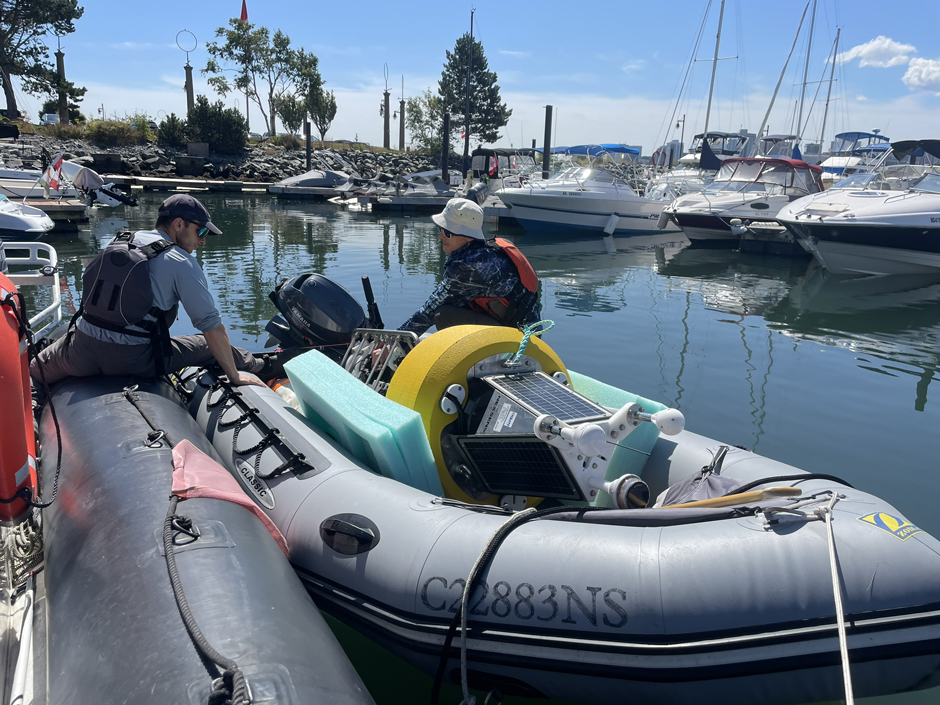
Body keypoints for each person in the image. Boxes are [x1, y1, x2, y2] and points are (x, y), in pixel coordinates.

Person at [31, 194, 275, 387]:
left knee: (34, 369)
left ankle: (32, 417)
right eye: (200, 231)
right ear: (179, 224)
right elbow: (211, 327)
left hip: (81, 350)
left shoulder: (118, 241)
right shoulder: (181, 261)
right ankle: (260, 366)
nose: (203, 241)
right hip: (134, 359)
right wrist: (234, 376)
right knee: (203, 344)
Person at [398, 198, 541, 335]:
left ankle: (479, 359)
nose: (441, 236)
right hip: (520, 327)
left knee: (443, 315)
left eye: (447, 233)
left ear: (469, 237)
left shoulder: (469, 266)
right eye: (440, 229)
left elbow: (431, 308)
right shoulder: (484, 251)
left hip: (519, 336)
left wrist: (395, 341)